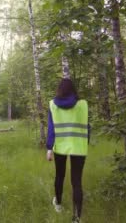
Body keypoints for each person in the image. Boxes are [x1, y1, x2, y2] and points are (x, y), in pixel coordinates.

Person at [46, 78, 88, 223]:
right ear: (73, 89)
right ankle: (76, 219)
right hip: (79, 147)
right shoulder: (83, 104)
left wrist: (49, 148)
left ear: (59, 90)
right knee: (77, 182)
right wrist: (85, 143)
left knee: (60, 176)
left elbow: (51, 129)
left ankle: (58, 204)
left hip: (60, 147)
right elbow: (87, 126)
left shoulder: (52, 105)